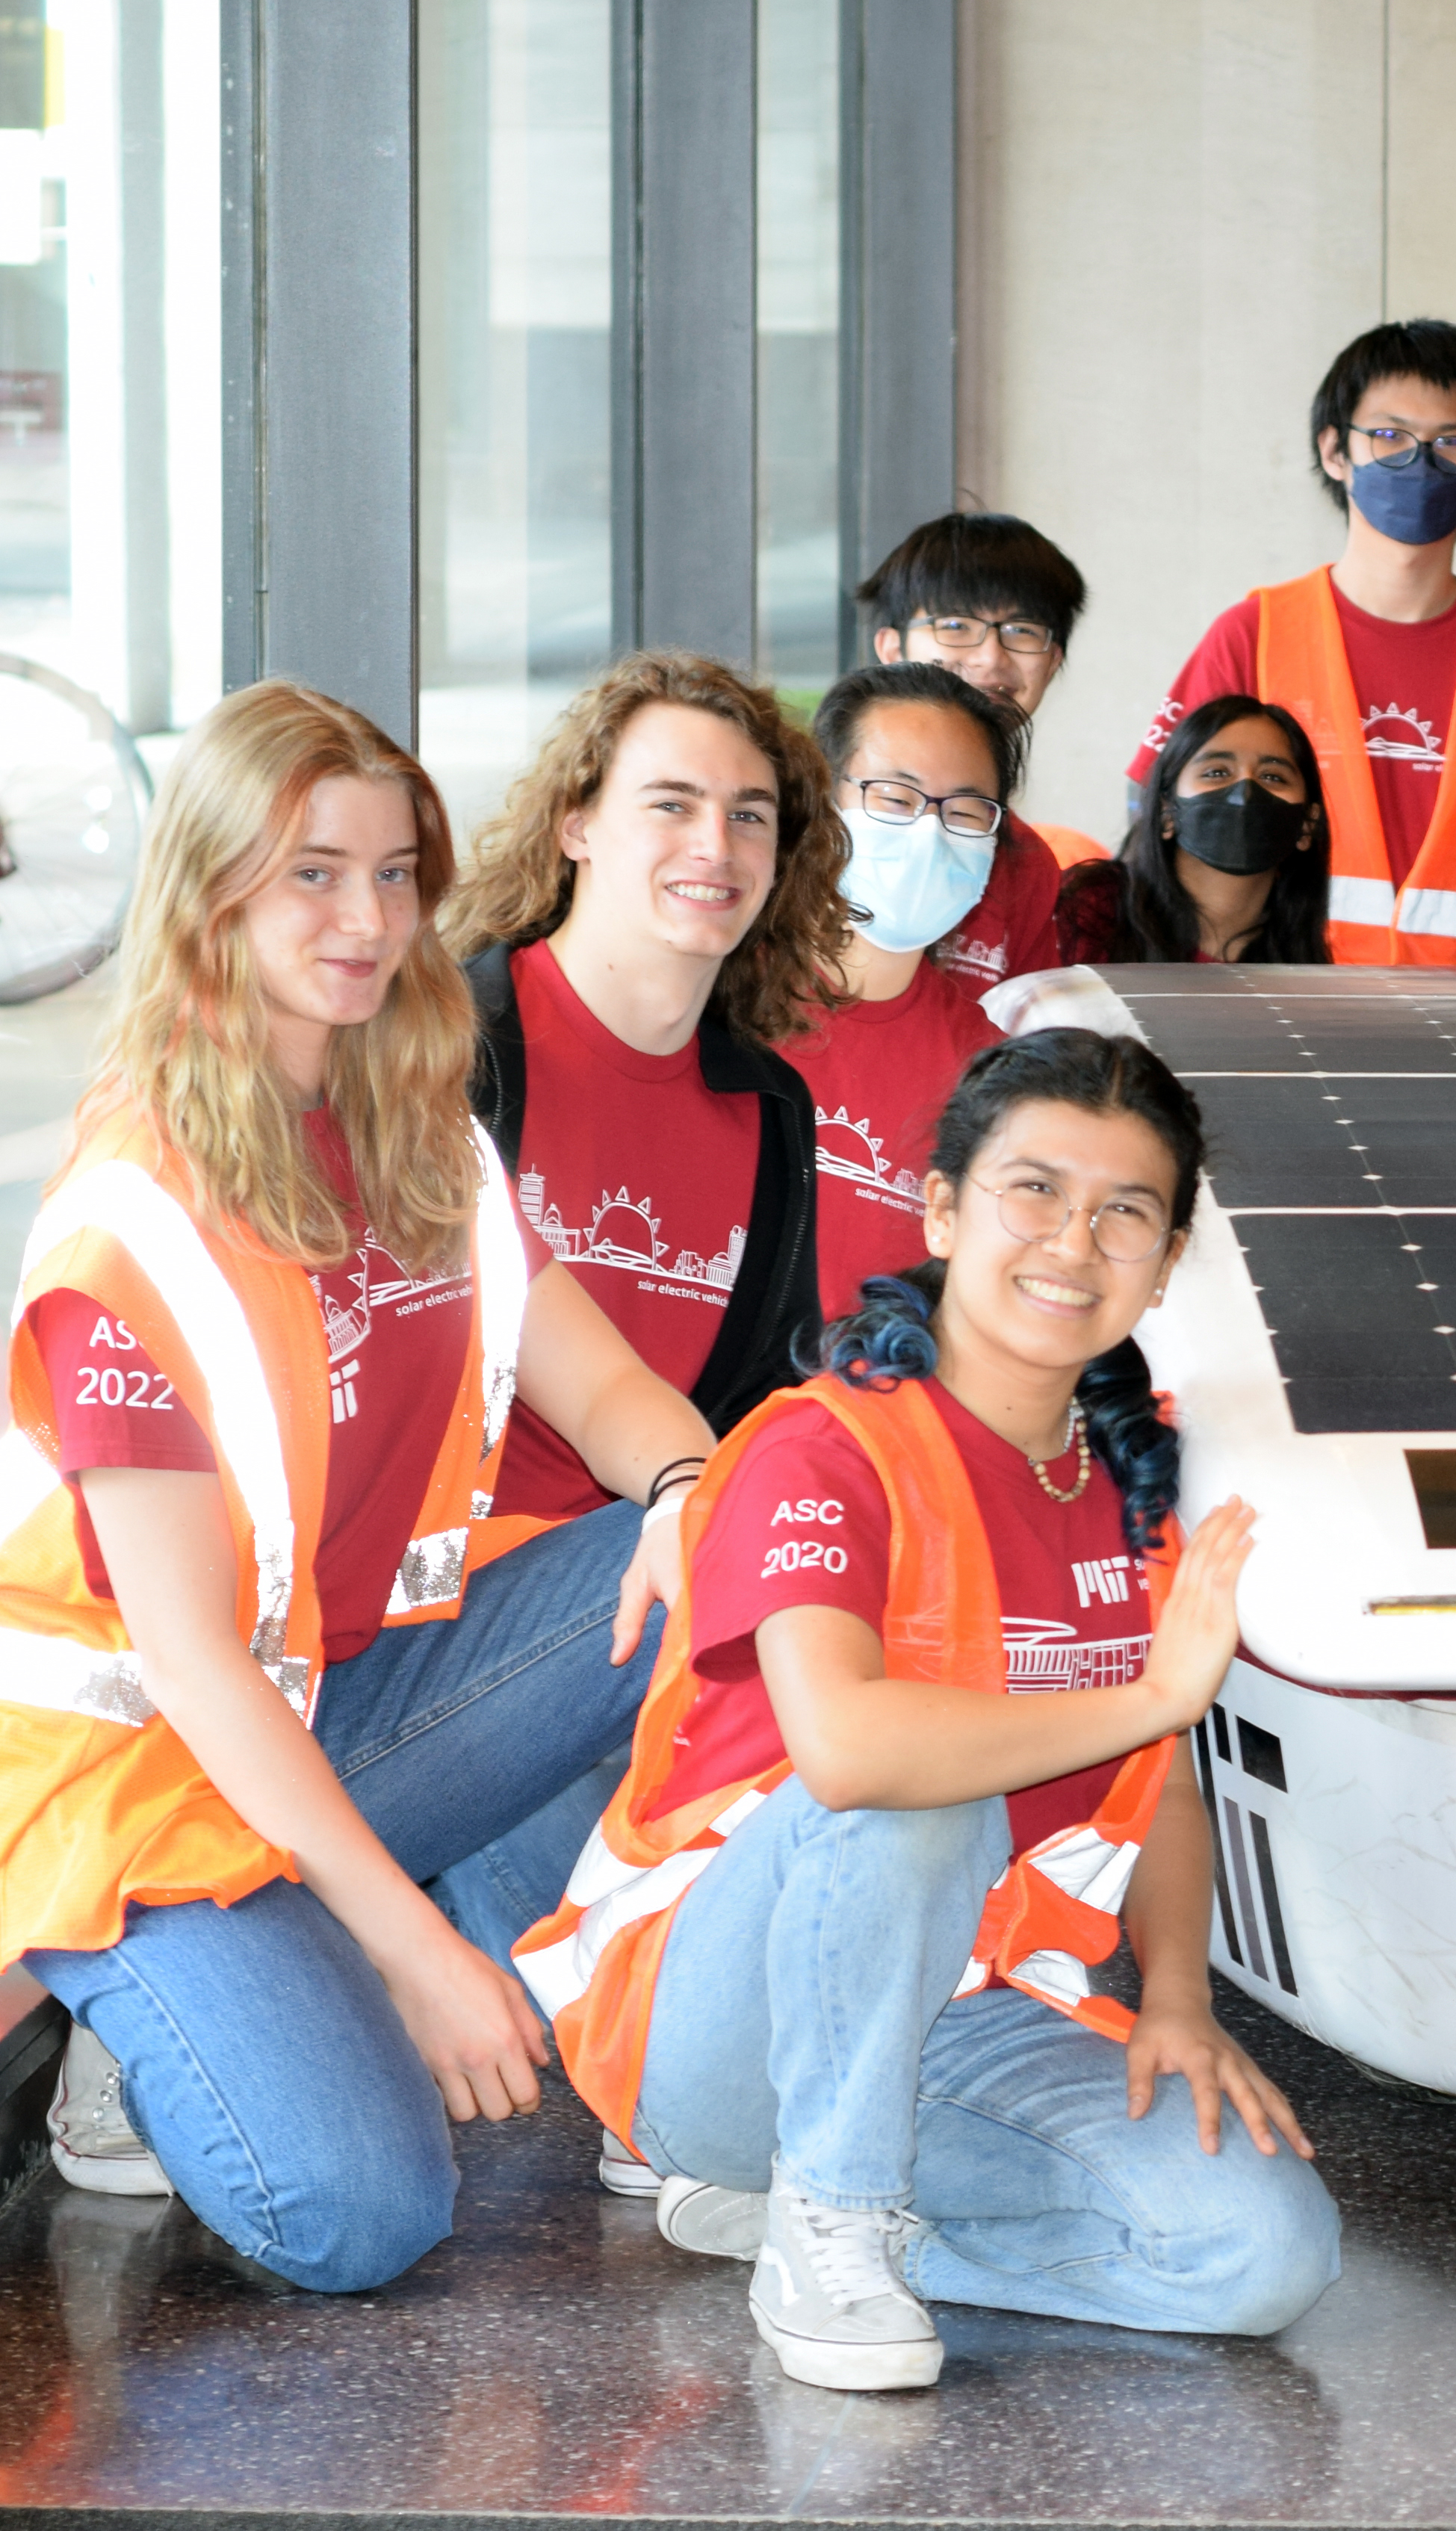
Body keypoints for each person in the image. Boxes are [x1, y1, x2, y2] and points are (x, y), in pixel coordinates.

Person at [10, 681, 720, 2286]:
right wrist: (413, 1956)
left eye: (396, 871)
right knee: (358, 2215)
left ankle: (497, 1974)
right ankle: (160, 1996)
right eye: (312, 871)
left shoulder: (414, 1129)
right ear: (213, 888)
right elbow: (188, 1655)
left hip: (332, 1698)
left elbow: (599, 1382)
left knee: (722, 1553)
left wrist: (686, 1485)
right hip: (137, 1763)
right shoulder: (140, 1214)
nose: (368, 915)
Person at [517, 1029, 1339, 2389]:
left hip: (964, 2008)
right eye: (1032, 1189)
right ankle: (825, 2214)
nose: (1072, 1240)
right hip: (721, 2025)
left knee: (1260, 2254)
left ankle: (817, 2207)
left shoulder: (1141, 1479)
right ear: (944, 1207)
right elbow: (847, 1750)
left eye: (1124, 1210)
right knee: (915, 1785)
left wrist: (1183, 1999)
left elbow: (1163, 1781)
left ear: (1167, 1258)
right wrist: (1150, 1691)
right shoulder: (818, 1442)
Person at [446, 652, 846, 1526]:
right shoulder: (448, 1047)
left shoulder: (770, 1106)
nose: (716, 845)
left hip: (654, 1556)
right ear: (575, 825)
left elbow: (762, 1400)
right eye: (672, 804)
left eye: (750, 814)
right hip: (442, 1588)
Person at [1129, 319, 1456, 964]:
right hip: (1280, 1020)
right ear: (1335, 451)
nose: (1420, 460)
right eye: (1389, 436)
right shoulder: (1255, 634)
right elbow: (1157, 824)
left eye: (1452, 443)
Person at [789, 664, 1012, 1316]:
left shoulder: (986, 1066)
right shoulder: (719, 998)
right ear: (823, 801)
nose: (929, 832)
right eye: (894, 798)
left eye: (967, 810)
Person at [855, 511, 1098, 995]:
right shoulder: (810, 821)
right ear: (890, 646)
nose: (991, 657)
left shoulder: (1027, 862)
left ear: (1053, 662)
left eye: (1023, 630)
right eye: (955, 625)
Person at [1056, 699, 1333, 969]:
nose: (1245, 793)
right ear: (1167, 810)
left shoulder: (1300, 964)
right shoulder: (1090, 911)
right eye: (1217, 772)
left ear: (1308, 824)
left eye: (1272, 776)